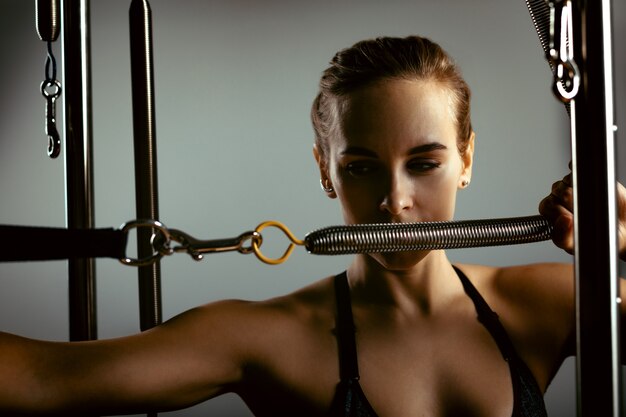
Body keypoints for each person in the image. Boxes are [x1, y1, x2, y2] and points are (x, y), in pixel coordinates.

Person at [1, 35, 625, 417]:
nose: (395, 201)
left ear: (467, 158)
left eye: (426, 163)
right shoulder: (265, 340)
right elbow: (38, 380)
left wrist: (621, 241)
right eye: (360, 168)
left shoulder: (547, 301)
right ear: (325, 171)